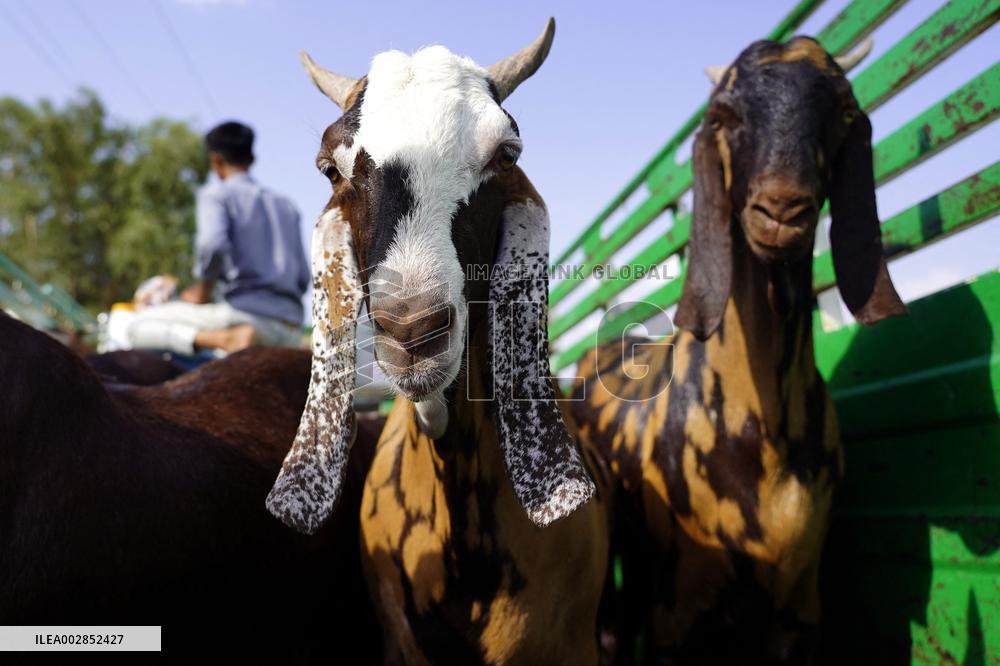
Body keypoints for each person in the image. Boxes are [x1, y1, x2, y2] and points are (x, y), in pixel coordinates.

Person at [127, 121, 309, 355]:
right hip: (291, 329)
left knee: (133, 326)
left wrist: (202, 292)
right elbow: (304, 277)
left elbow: (212, 245)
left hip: (244, 317)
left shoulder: (217, 194)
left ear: (216, 160)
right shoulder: (287, 206)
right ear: (252, 159)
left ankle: (224, 339)